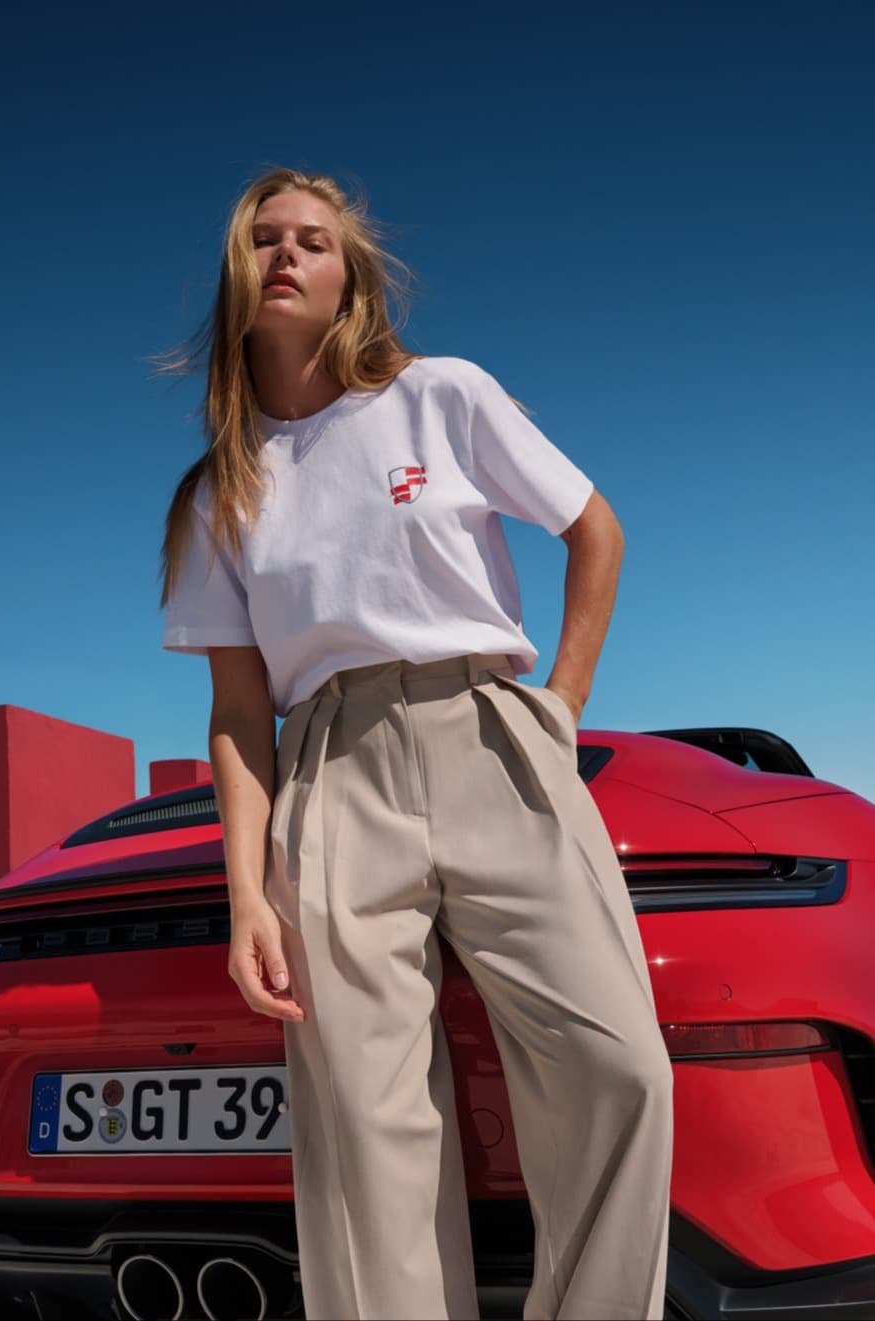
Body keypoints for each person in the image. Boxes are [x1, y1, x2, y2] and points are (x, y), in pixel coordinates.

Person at [158, 166, 674, 1321]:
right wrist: (247, 892)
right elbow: (241, 714)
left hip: (493, 736)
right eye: (266, 240)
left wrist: (560, 708)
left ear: (351, 277)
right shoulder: (219, 495)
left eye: (315, 241)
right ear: (238, 276)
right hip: (333, 772)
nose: (289, 255)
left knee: (617, 1068)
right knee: (365, 1134)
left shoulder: (440, 397)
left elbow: (595, 531)